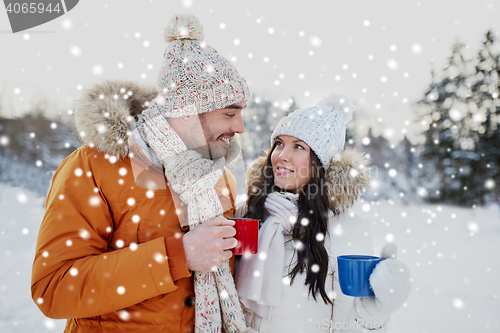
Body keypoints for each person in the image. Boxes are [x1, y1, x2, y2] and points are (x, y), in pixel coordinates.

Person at [31, 14, 254, 333]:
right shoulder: (93, 167)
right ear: (186, 113)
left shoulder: (220, 178)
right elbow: (54, 287)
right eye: (229, 113)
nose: (239, 127)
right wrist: (178, 255)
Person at [234, 95, 411, 332]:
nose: (281, 155)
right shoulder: (249, 212)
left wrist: (373, 312)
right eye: (278, 143)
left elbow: (348, 326)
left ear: (320, 163)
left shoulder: (348, 229)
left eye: (298, 146)